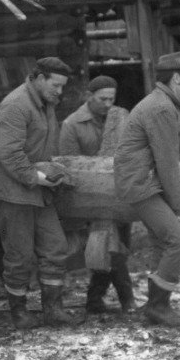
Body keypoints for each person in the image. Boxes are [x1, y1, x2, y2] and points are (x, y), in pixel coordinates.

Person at [0, 57, 84, 329]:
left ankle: (53, 310)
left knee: (55, 248)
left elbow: (40, 148)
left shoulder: (45, 103)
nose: (60, 92)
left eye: (62, 86)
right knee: (19, 256)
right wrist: (39, 178)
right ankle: (19, 314)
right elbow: (9, 153)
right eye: (55, 85)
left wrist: (53, 171)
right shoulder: (16, 105)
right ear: (39, 78)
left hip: (39, 192)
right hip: (13, 193)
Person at [113, 51, 180, 329]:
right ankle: (158, 307)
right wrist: (177, 204)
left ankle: (157, 307)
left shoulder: (163, 103)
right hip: (142, 184)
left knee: (163, 243)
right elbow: (167, 161)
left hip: (145, 181)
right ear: (175, 78)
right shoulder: (161, 108)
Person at [59, 75, 135, 314]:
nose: (108, 104)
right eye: (103, 99)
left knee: (118, 248)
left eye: (112, 99)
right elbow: (70, 165)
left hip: (119, 193)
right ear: (88, 96)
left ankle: (94, 299)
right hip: (90, 197)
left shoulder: (120, 118)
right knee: (112, 248)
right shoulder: (72, 124)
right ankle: (128, 301)